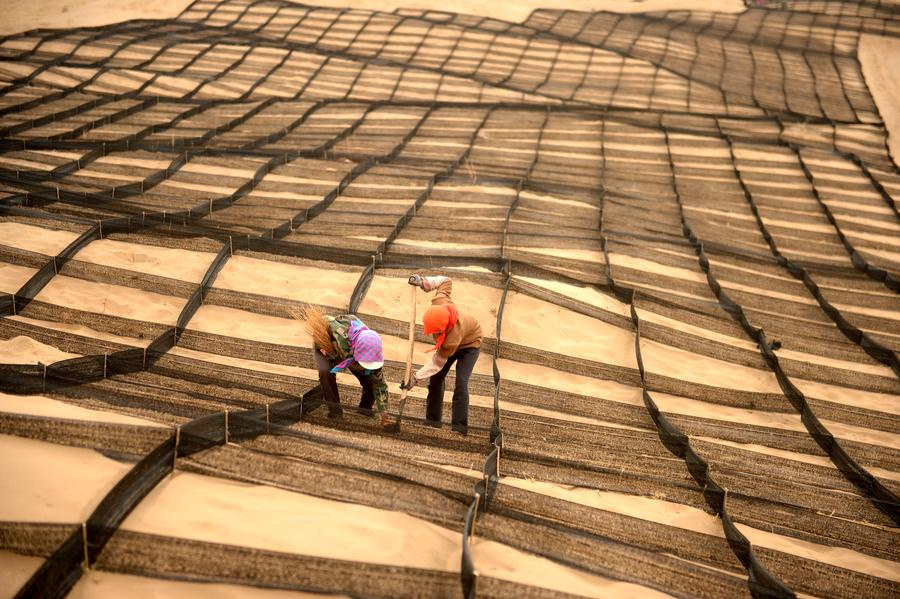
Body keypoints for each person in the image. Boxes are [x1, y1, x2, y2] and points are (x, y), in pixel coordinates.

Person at [402, 274, 482, 434]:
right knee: (436, 380)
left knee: (461, 382)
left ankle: (459, 428)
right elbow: (445, 280)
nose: (434, 336)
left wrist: (415, 378)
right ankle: (433, 421)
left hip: (470, 343)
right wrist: (423, 282)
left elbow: (436, 363)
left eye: (437, 332)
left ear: (444, 329)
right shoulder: (440, 301)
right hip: (457, 337)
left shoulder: (450, 340)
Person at [298, 306, 395, 430]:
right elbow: (322, 322)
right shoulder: (339, 333)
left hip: (350, 354)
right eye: (365, 362)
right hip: (328, 346)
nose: (368, 364)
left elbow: (380, 386)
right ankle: (335, 412)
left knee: (371, 379)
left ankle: (365, 409)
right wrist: (322, 348)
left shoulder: (373, 352)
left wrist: (385, 416)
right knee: (325, 373)